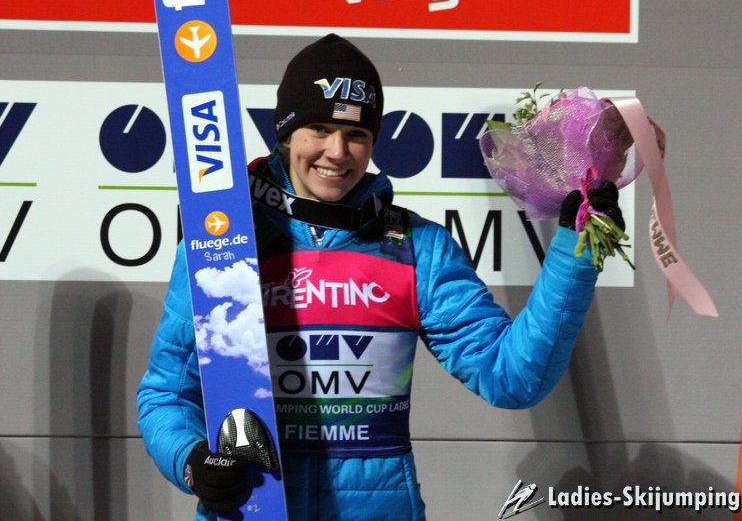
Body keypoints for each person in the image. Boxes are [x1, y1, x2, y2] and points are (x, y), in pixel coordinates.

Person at [137, 33, 625, 520]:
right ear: (285, 134)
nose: (337, 151)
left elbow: (511, 376)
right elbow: (167, 394)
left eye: (356, 134)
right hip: (253, 508)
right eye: (320, 129)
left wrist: (575, 251)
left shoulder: (418, 248)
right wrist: (191, 461)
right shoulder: (223, 245)